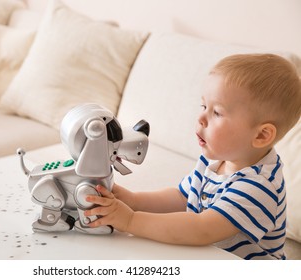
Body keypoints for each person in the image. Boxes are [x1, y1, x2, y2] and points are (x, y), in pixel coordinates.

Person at [84, 53, 301, 260]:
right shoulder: (215, 159)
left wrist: (131, 220)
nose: (201, 118)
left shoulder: (259, 186)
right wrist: (134, 200)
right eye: (204, 106)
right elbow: (182, 197)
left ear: (262, 135)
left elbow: (201, 229)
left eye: (217, 112)